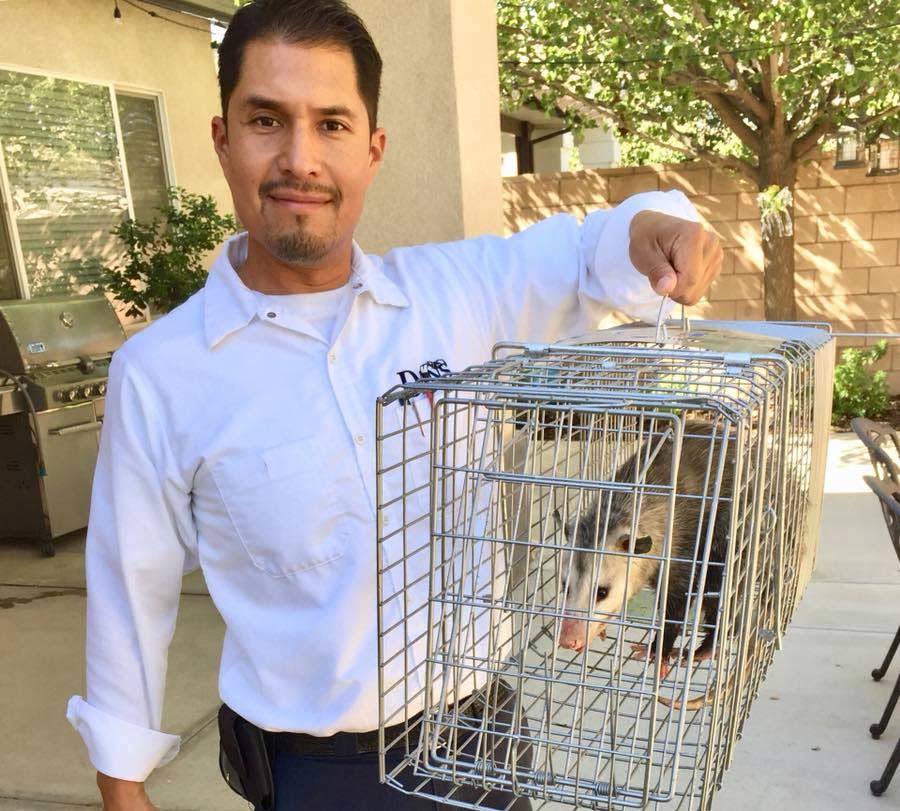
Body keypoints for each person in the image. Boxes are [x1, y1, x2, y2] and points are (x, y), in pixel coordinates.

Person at [66, 1, 723, 809]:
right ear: (223, 139)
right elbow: (129, 587)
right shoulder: (162, 373)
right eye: (267, 120)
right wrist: (122, 785)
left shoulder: (453, 294)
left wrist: (658, 230)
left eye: (332, 124)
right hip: (320, 772)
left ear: (372, 149)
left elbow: (592, 254)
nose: (300, 158)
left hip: (483, 735)